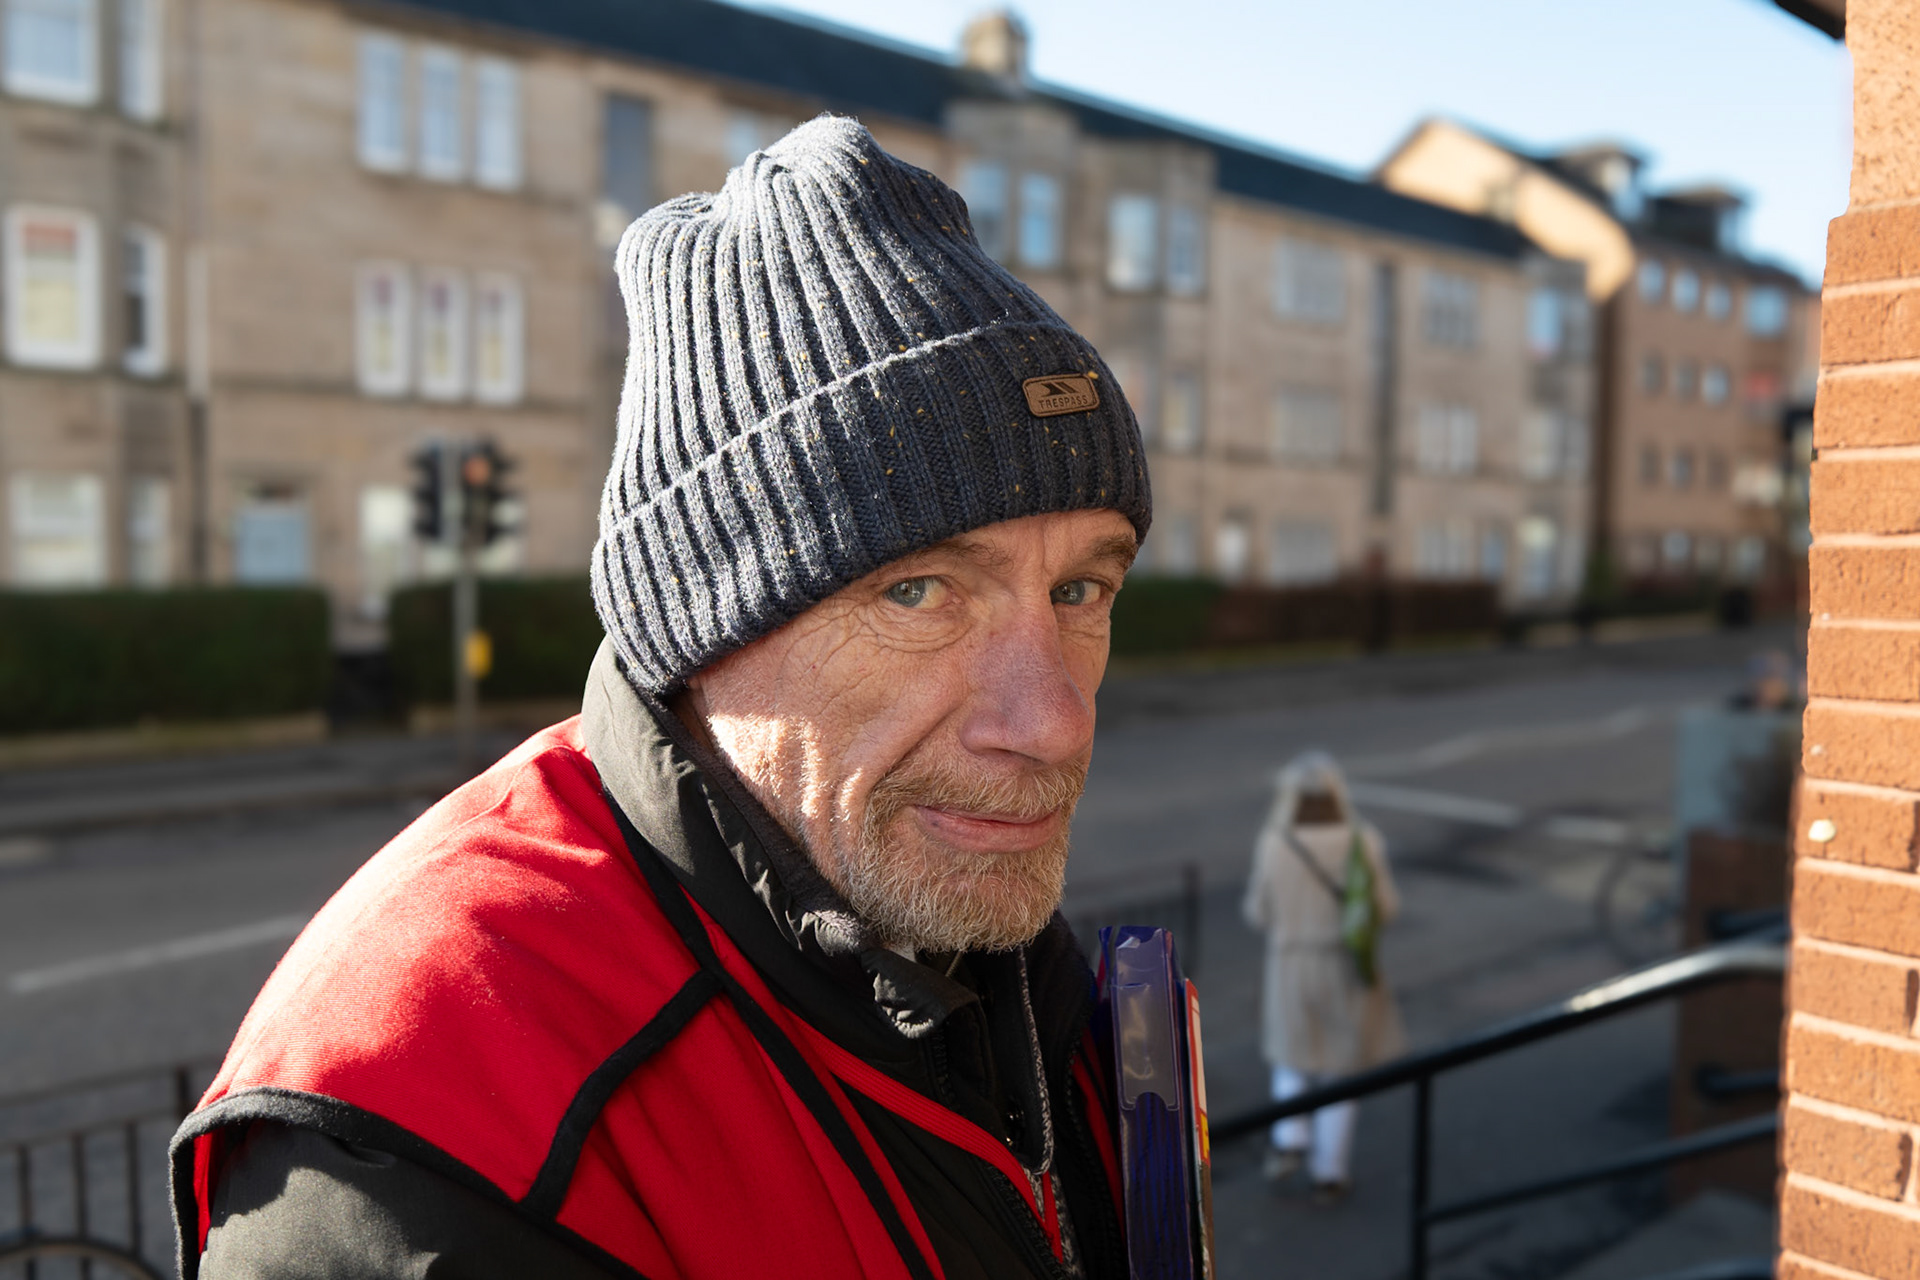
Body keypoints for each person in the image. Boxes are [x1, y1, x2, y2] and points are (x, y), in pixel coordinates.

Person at [169, 116, 1150, 1280]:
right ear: (704, 626)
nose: (1052, 720)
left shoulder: (990, 944)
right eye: (919, 590)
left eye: (1081, 585)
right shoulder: (419, 1129)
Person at [1241, 750, 1404, 1203]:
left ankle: (1290, 1138)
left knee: (1291, 1056)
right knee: (1339, 1071)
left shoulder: (1276, 842)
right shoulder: (1362, 841)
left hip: (1291, 964)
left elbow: (1258, 911)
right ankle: (1329, 1174)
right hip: (1344, 966)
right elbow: (1386, 907)